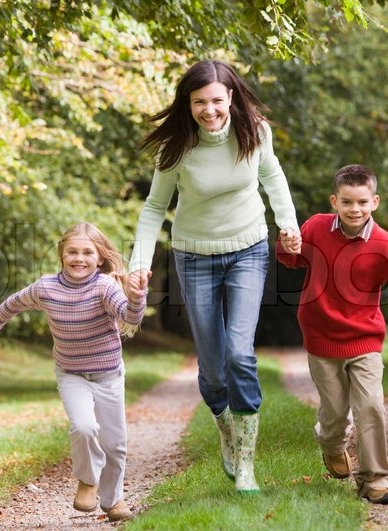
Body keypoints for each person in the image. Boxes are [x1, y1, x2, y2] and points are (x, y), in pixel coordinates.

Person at [128, 59, 302, 495]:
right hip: (194, 255)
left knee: (240, 355)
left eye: (217, 101)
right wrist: (139, 261)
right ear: (188, 104)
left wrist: (288, 223)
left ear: (231, 98)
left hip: (247, 249)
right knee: (211, 370)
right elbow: (153, 208)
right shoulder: (177, 148)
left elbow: (272, 175)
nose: (209, 110)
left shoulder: (255, 132)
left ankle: (246, 465)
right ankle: (226, 427)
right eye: (200, 102)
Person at [275, 164, 388, 505]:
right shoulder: (315, 228)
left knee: (371, 406)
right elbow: (292, 259)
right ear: (334, 201)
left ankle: (375, 481)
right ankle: (332, 445)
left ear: (375, 202)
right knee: (335, 414)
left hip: (364, 341)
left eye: (361, 202)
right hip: (321, 339)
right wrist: (286, 244)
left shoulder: (384, 245)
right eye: (347, 202)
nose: (354, 209)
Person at [0, 222, 149, 522]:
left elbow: (128, 316)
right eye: (72, 252)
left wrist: (136, 298)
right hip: (71, 373)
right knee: (83, 427)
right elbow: (11, 304)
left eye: (86, 252)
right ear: (61, 255)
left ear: (99, 258)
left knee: (115, 443)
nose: (79, 258)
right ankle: (88, 479)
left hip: (108, 374)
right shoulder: (46, 288)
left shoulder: (104, 286)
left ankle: (113, 501)